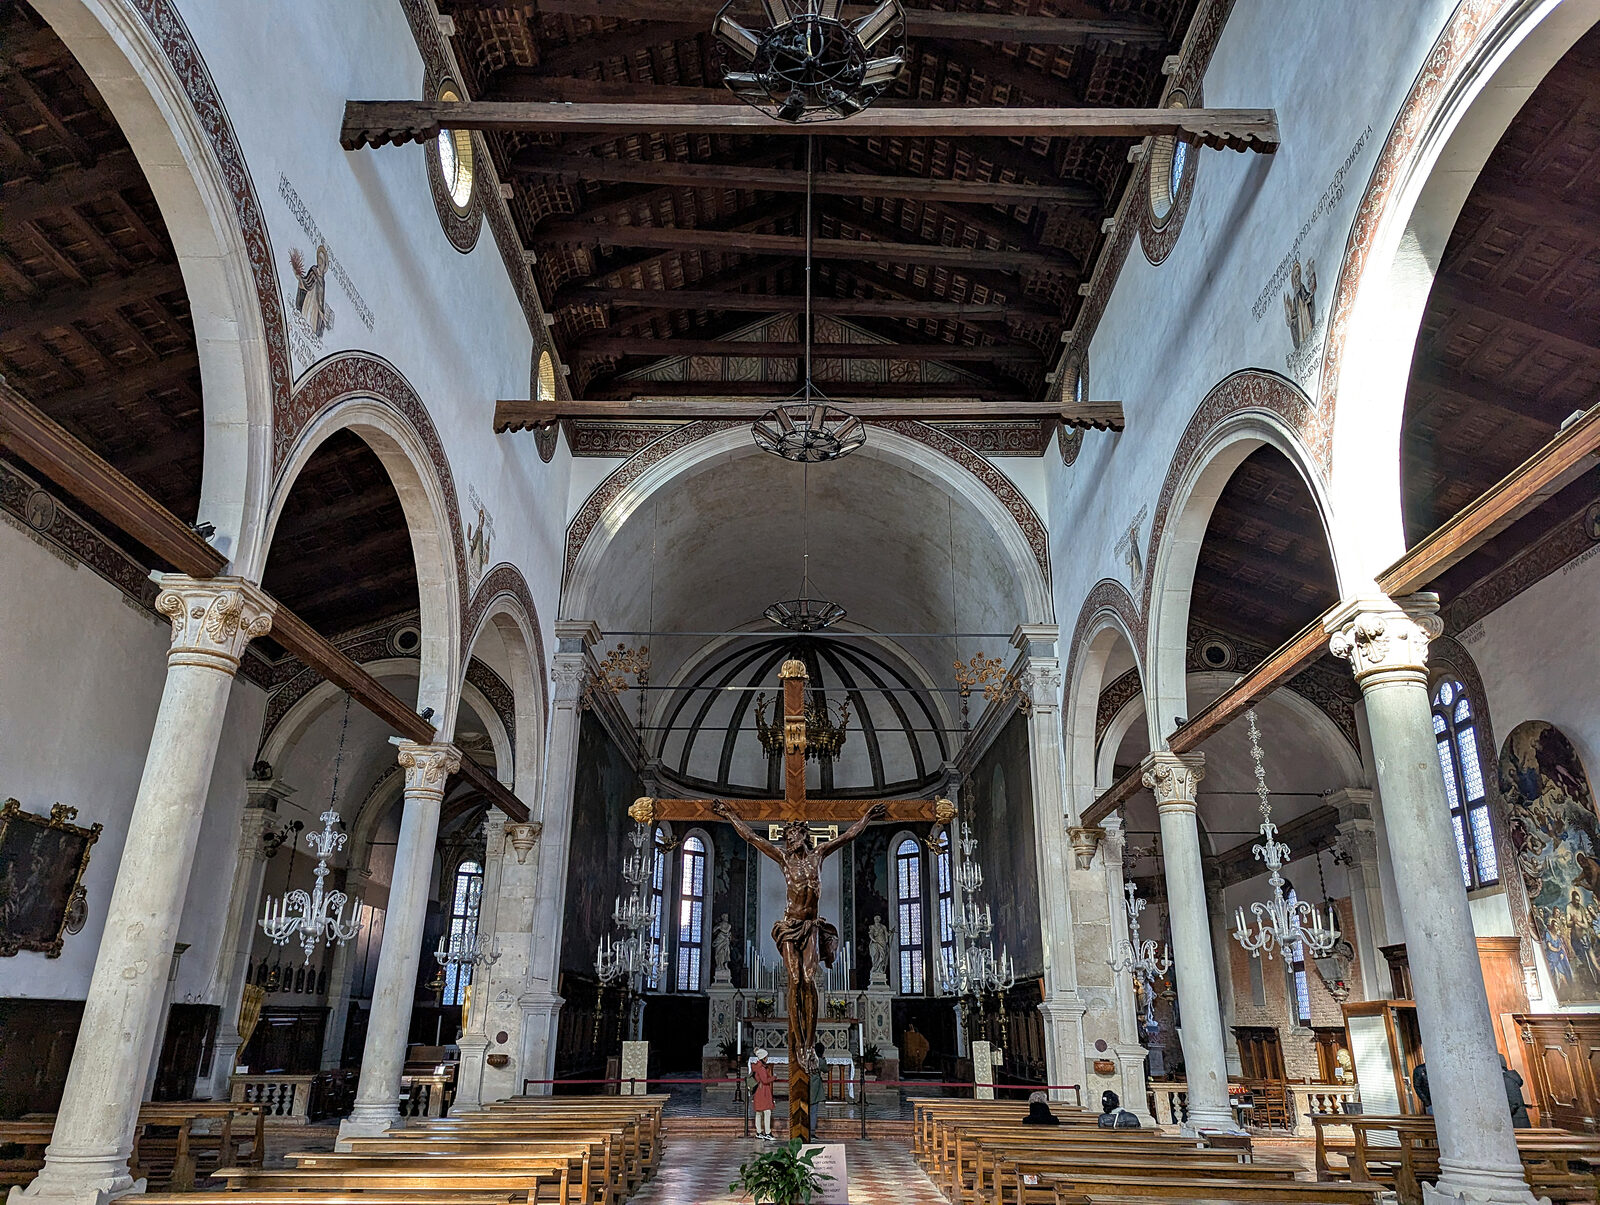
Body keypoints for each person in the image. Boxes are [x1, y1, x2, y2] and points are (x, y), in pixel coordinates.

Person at [750, 1048, 775, 1140]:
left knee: (759, 1112)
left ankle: (759, 1132)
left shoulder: (756, 1066)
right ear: (763, 1058)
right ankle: (768, 1133)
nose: (767, 1058)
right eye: (766, 1057)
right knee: (767, 1111)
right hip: (763, 1091)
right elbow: (765, 1080)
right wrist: (773, 1078)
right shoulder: (761, 1068)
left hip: (758, 1091)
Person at [1502, 1055, 1531, 1128]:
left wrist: (1505, 1115)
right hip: (1518, 1117)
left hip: (1516, 1120)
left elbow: (1514, 1102)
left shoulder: (1507, 1079)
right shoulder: (1510, 1078)